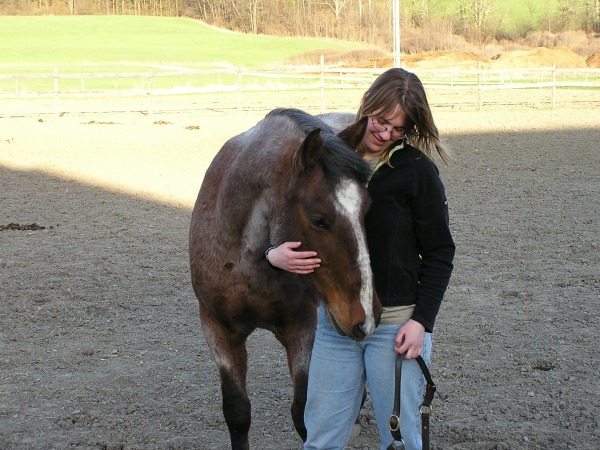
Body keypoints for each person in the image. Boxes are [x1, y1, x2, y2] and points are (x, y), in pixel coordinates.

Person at [266, 68, 455, 450]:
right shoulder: (326, 160)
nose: (386, 134)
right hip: (335, 325)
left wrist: (422, 323)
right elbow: (288, 221)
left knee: (399, 440)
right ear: (366, 104)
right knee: (320, 440)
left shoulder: (417, 173)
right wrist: (273, 254)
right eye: (382, 121)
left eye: (398, 129)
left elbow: (440, 253)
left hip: (396, 330)